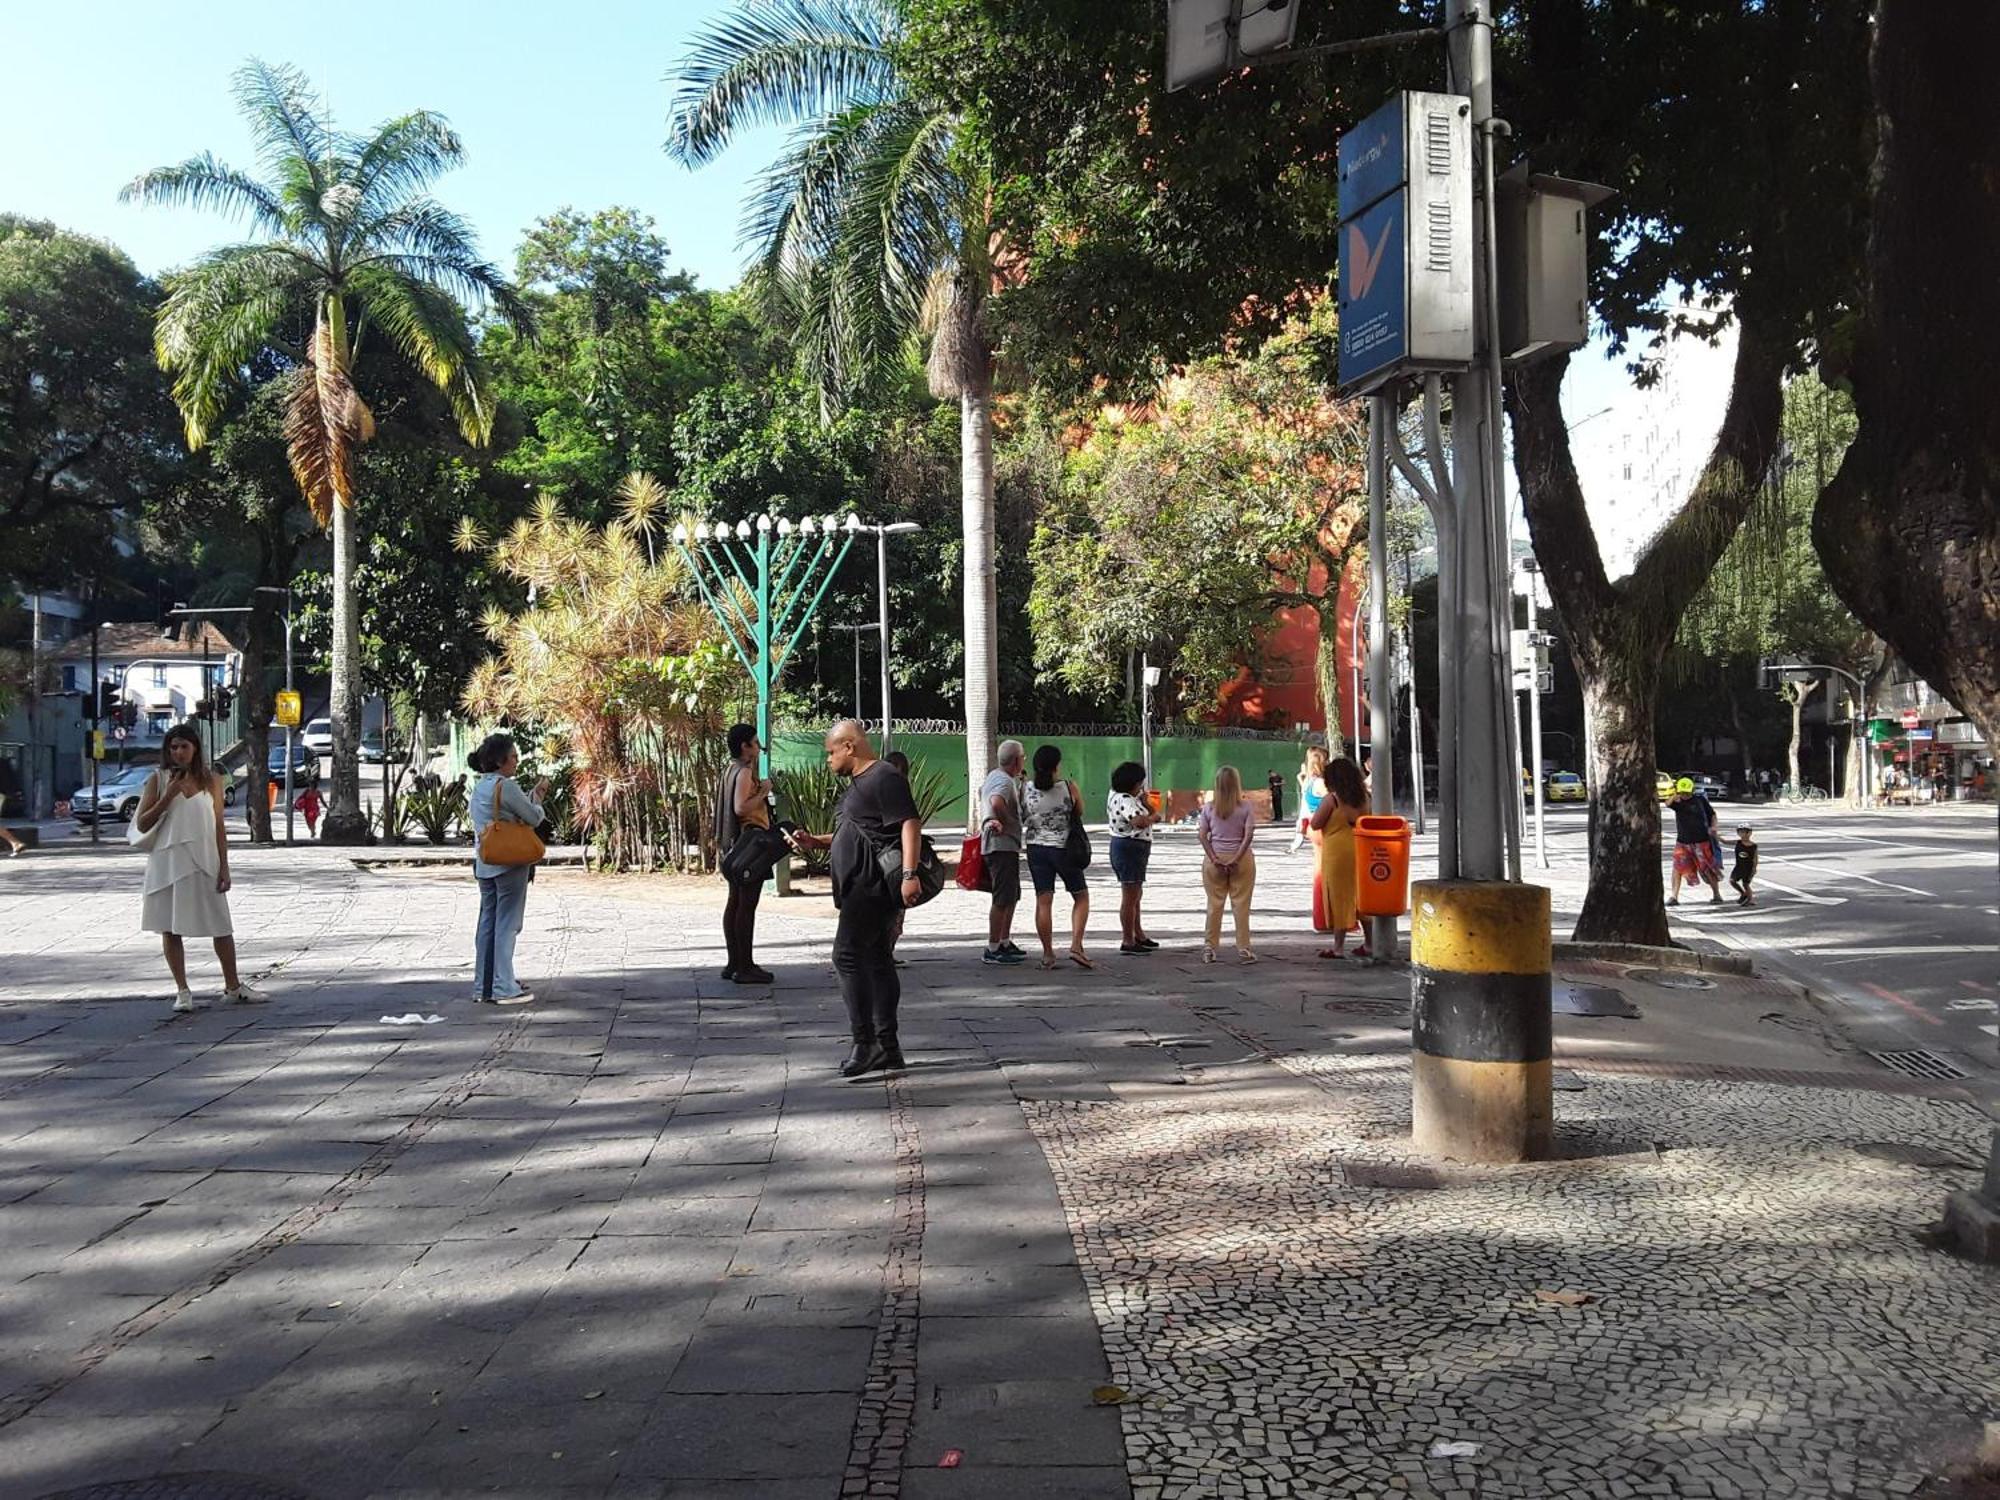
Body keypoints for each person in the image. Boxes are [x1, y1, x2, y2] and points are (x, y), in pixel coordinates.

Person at [791, 721, 923, 1077]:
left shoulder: (883, 776)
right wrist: (816, 842)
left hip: (872, 887)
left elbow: (909, 823)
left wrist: (909, 875)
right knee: (877, 959)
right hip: (857, 887)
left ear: (849, 746)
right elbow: (859, 830)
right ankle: (887, 1047)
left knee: (846, 956)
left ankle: (866, 1043)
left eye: (831, 752)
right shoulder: (859, 784)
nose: (828, 759)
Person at [136, 723, 260, 1013]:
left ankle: (233, 986)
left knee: (221, 924)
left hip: (204, 859)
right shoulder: (158, 779)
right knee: (170, 926)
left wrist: (224, 867)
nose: (178, 752)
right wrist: (169, 795)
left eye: (184, 746)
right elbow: (142, 823)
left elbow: (218, 825)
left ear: (195, 749)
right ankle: (182, 990)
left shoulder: (212, 780)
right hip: (168, 860)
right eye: (173, 747)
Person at [468, 732, 548, 1004]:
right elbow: (533, 818)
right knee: (508, 923)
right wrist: (537, 799)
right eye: (513, 756)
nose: (517, 761)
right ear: (500, 760)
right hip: (509, 863)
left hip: (485, 861)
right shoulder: (506, 786)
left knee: (487, 923)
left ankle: (484, 985)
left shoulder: (481, 786)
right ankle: (503, 986)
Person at [713, 723, 775, 984]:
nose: (759, 747)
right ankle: (745, 965)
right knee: (746, 904)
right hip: (748, 845)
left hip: (732, 845)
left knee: (735, 902)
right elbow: (741, 808)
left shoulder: (730, 770)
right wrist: (763, 791)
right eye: (755, 742)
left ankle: (734, 962)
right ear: (745, 746)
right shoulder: (745, 772)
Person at [1022, 744, 1092, 970]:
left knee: (1044, 900)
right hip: (1064, 848)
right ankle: (1076, 946)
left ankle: (1047, 953)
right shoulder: (1068, 787)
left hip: (1036, 848)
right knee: (1080, 896)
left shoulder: (1025, 788)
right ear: (1056, 765)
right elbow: (1079, 811)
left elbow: (1022, 814)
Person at [1198, 765, 1258, 964]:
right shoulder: (1246, 807)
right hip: (1241, 860)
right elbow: (1248, 835)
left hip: (1215, 860)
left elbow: (1202, 835)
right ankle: (1243, 948)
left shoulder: (1208, 808)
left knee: (1214, 905)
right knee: (1241, 905)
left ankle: (1209, 947)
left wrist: (1214, 858)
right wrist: (1237, 858)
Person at [1311, 756, 1369, 958]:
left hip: (1337, 852)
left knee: (1339, 896)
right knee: (1362, 897)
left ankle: (1338, 947)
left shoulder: (1332, 799)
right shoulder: (1364, 798)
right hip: (1360, 849)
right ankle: (1370, 943)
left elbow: (1316, 823)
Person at [980, 740, 1028, 965]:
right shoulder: (1003, 782)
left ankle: (1004, 940)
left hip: (1006, 846)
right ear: (1017, 760)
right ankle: (992, 946)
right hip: (1001, 846)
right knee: (1001, 897)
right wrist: (1006, 822)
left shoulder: (996, 776)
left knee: (1011, 894)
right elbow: (996, 801)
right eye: (1023, 758)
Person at [1107, 761, 1160, 955]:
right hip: (1130, 848)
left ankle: (1138, 933)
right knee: (1130, 897)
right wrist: (1152, 816)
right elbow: (1139, 822)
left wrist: (1146, 804)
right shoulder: (1126, 800)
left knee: (1135, 894)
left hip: (1128, 847)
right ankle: (1128, 939)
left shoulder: (1115, 795)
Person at [1666, 776, 1722, 906]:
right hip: (1683, 842)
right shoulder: (1677, 802)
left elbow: (1712, 815)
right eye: (1682, 792)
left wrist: (1714, 827)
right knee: (1677, 868)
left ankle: (1716, 894)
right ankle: (1674, 896)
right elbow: (1667, 803)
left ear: (1692, 790)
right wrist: (1675, 794)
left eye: (1687, 792)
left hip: (1701, 841)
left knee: (1708, 868)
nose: (1685, 795)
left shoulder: (1700, 800)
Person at [1291, 747, 1327, 855]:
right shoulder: (1320, 783)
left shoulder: (1311, 781)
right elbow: (1333, 803)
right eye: (1326, 760)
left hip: (1314, 824)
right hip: (1323, 827)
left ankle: (1294, 846)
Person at [1729, 825, 1759, 906]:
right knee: (1732, 881)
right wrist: (1716, 836)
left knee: (1746, 884)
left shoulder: (1753, 845)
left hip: (1748, 868)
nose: (1743, 834)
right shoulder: (1738, 842)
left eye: (1745, 832)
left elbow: (1755, 858)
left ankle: (1750, 899)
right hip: (1738, 866)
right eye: (1741, 832)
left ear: (1749, 833)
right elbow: (1726, 842)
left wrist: (1754, 868)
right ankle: (1743, 893)